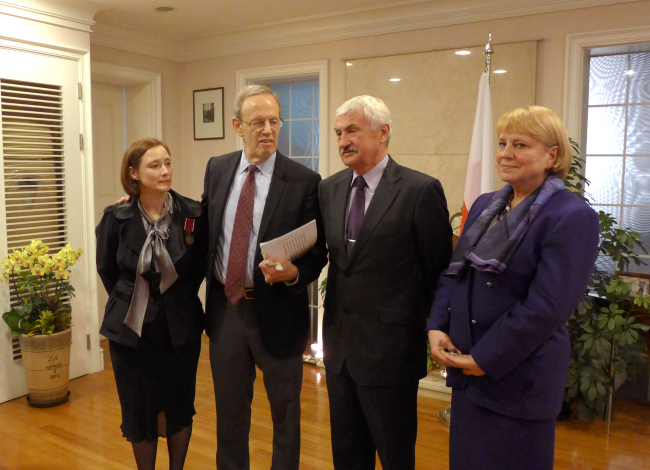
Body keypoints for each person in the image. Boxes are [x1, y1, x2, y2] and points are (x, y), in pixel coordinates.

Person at [428, 106, 600, 470]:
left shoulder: (571, 216)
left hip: (519, 380)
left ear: (552, 154)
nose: (505, 153)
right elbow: (454, 273)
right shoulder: (485, 205)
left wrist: (484, 358)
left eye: (520, 144)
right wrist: (437, 326)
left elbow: (547, 307)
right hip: (468, 375)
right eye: (503, 142)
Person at [319, 95, 453, 470]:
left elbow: (438, 270)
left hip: (391, 353)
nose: (343, 140)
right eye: (338, 132)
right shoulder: (328, 189)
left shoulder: (419, 190)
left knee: (395, 455)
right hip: (340, 350)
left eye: (352, 131)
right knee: (347, 453)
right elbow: (331, 260)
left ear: (383, 132)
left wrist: (432, 330)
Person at [201, 85, 328, 470]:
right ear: (238, 126)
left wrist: (295, 274)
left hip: (279, 314)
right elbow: (201, 222)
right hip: (227, 310)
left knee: (286, 416)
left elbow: (318, 253)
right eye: (258, 123)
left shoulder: (305, 180)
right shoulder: (218, 168)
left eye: (274, 121)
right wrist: (140, 200)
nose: (268, 130)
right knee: (230, 415)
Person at [96, 138, 207, 470]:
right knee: (140, 408)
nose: (165, 171)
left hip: (180, 329)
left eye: (168, 163)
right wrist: (135, 297)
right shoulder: (116, 217)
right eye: (154, 165)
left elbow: (198, 267)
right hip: (131, 331)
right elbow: (107, 269)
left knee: (178, 404)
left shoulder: (193, 213)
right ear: (134, 173)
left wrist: (173, 298)